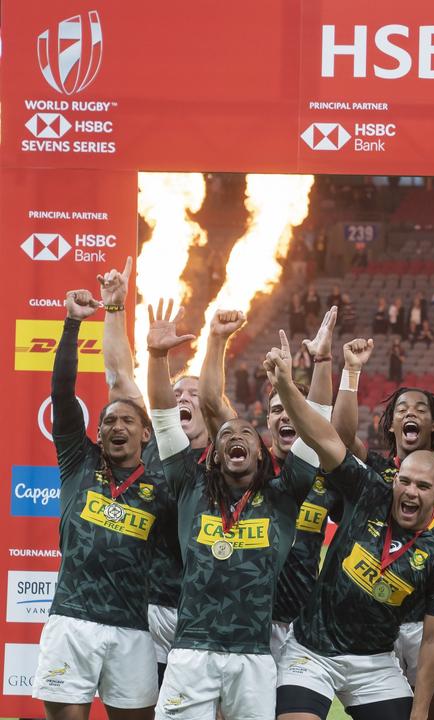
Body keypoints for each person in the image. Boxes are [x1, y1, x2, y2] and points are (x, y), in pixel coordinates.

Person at [264, 342, 434, 720]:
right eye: (404, 482)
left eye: (422, 488)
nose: (409, 491)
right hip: (312, 649)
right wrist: (288, 387)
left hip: (373, 661)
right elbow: (325, 437)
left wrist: (420, 713)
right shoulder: (370, 490)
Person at [146, 306, 314, 720]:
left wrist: (323, 366)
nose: (235, 436)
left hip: (253, 656)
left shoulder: (282, 494)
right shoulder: (191, 485)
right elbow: (165, 420)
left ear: (261, 454)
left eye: (246, 434)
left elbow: (316, 425)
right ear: (214, 456)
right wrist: (156, 357)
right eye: (226, 435)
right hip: (190, 651)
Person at [32, 289, 166, 719]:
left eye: (128, 420)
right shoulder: (78, 460)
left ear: (146, 434)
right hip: (72, 620)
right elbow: (62, 390)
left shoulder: (163, 480)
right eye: (108, 420)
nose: (116, 426)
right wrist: (73, 323)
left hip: (131, 627)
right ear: (99, 431)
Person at [332, 337, 434, 720]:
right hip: (379, 624)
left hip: (433, 623)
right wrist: (352, 372)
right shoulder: (374, 471)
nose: (411, 413)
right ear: (391, 423)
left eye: (421, 409)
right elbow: (341, 438)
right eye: (402, 408)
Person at [198, 306, 339, 660]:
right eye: (277, 409)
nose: (286, 415)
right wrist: (217, 339)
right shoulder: (246, 460)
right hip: (245, 615)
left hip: (302, 620)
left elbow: (321, 417)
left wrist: (323, 360)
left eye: (293, 409)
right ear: (266, 418)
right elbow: (213, 404)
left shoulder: (322, 472)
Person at [97, 260, 208, 688]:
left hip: (205, 613)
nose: (183, 397)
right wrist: (113, 310)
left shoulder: (227, 458)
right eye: (177, 391)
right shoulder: (153, 446)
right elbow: (120, 377)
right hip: (147, 608)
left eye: (194, 395)